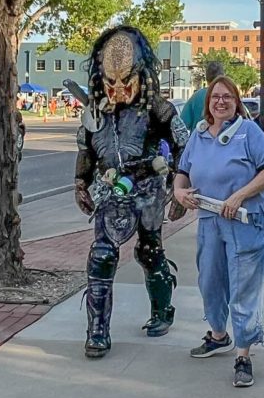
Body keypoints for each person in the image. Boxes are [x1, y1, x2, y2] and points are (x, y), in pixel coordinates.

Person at [73, 26, 189, 358]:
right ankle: (97, 330)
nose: (119, 91)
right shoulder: (94, 110)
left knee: (150, 253)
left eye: (126, 83)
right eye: (112, 84)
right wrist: (80, 183)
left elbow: (183, 145)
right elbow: (86, 150)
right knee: (102, 256)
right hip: (110, 189)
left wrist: (178, 187)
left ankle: (162, 309)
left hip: (148, 187)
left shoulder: (158, 108)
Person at [174, 75, 264, 389]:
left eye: (227, 97)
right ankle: (219, 335)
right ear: (208, 103)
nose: (221, 101)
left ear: (237, 102)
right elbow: (182, 173)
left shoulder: (249, 132)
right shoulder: (199, 135)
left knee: (244, 287)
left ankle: (243, 355)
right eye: (215, 97)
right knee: (210, 281)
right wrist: (179, 193)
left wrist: (240, 195)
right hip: (209, 219)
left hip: (246, 220)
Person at [181, 60, 226, 132]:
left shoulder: (196, 97)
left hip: (198, 140)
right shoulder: (230, 97)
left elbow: (183, 124)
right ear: (223, 76)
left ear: (207, 77)